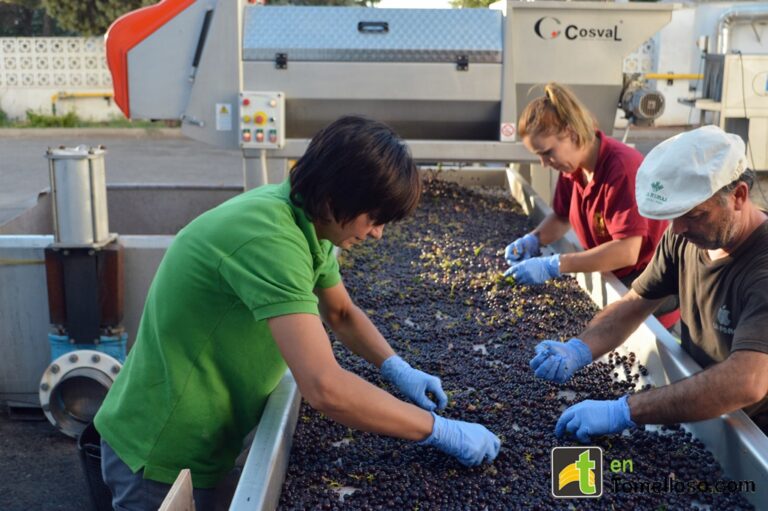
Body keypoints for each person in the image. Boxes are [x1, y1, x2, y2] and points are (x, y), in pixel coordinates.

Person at [94, 116, 500, 510]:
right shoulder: (270, 238)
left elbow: (340, 313)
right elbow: (324, 388)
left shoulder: (306, 221)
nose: (377, 233)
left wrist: (396, 367)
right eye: (374, 218)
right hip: (161, 452)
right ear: (335, 197)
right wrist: (437, 430)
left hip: (209, 439)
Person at [529, 125, 768, 442]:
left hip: (756, 434)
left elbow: (746, 382)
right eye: (673, 216)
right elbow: (635, 303)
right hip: (703, 412)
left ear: (738, 196)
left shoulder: (761, 268)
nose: (678, 229)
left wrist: (625, 410)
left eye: (694, 215)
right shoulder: (684, 237)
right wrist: (579, 348)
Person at [504, 82, 679, 328]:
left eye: (547, 153)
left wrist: (555, 264)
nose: (544, 163)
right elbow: (561, 217)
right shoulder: (573, 169)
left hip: (647, 291)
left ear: (571, 134)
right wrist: (533, 239)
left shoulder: (622, 168)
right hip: (611, 278)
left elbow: (627, 251)